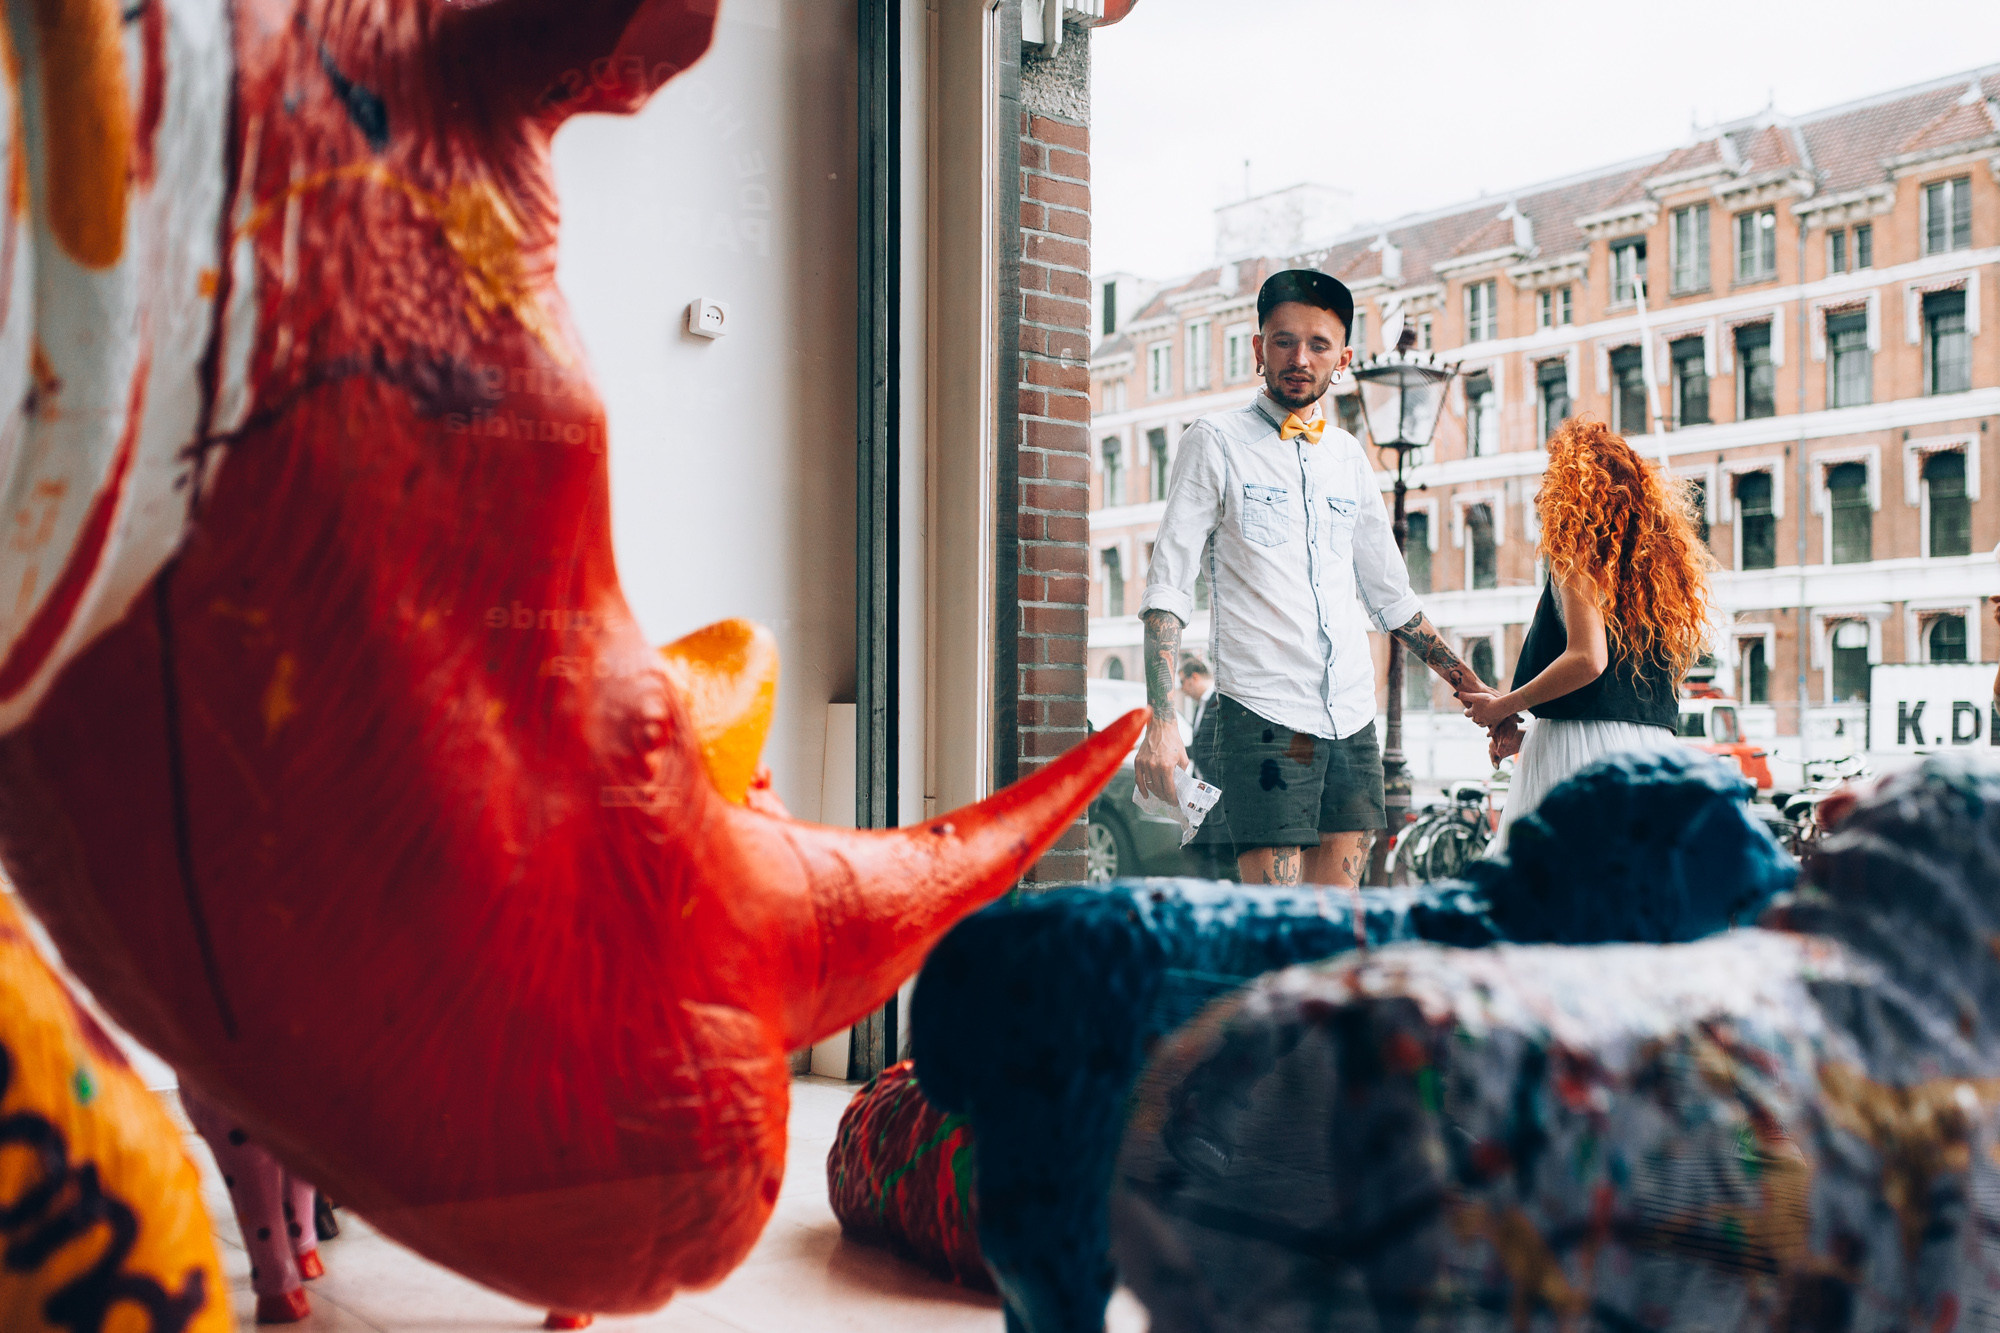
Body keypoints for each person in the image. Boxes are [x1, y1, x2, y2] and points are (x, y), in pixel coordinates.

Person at [1135, 268, 1505, 888]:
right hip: (1264, 716)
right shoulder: (1215, 441)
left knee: (1339, 926)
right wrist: (1163, 721)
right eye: (1283, 341)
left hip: (1352, 716)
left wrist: (1480, 695)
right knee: (1278, 930)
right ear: (1258, 348)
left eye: (1319, 345)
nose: (1299, 358)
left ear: (1344, 359)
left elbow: (1392, 598)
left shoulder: (1349, 457)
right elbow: (1167, 591)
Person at [1460, 417, 1714, 850]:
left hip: (1582, 764)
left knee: (1552, 895)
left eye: (1551, 477)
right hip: (1651, 755)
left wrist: (1503, 706)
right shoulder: (1656, 579)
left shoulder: (1576, 554)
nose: (1543, 492)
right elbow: (1616, 707)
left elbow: (1587, 660)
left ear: (1571, 488)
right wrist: (1530, 737)